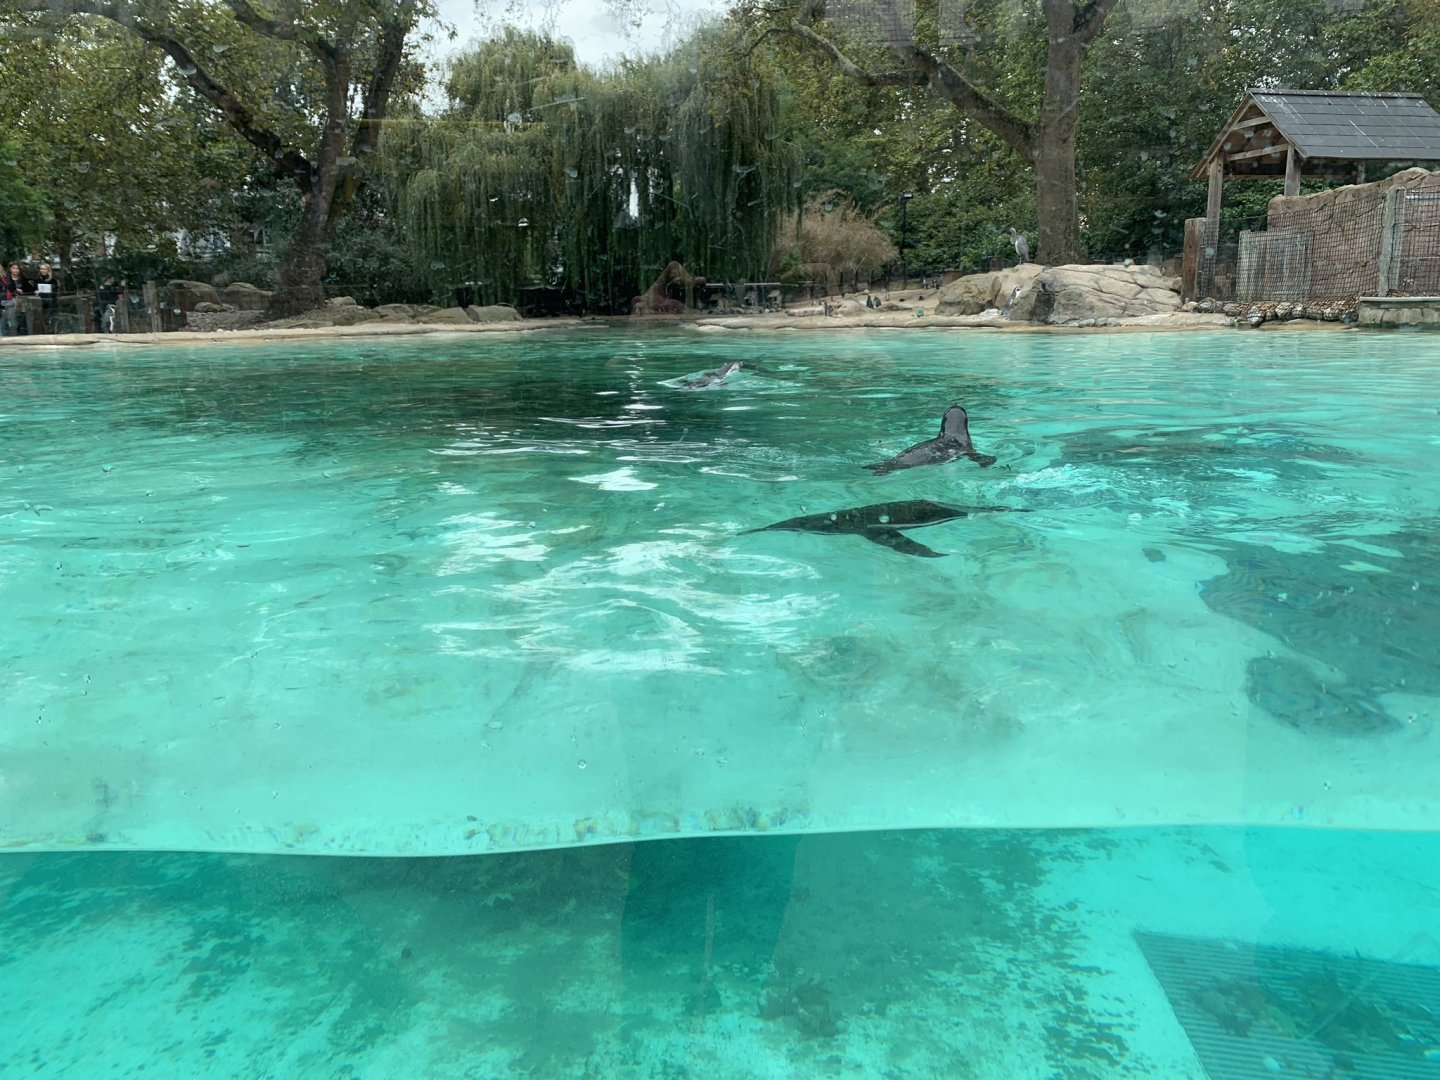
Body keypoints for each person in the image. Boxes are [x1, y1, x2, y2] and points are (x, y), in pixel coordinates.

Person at [33, 262, 57, 334]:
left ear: (48, 270)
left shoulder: (52, 280)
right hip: (40, 303)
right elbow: (33, 289)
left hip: (50, 303)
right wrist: (35, 291)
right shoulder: (37, 280)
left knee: (48, 319)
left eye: (44, 269)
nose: (42, 270)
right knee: (41, 320)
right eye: (41, 269)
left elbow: (54, 292)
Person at [0, 262, 20, 335]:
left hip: (9, 302)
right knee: (2, 323)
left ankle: (13, 338)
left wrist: (15, 291)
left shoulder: (7, 277)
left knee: (13, 323)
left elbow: (12, 289)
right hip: (3, 302)